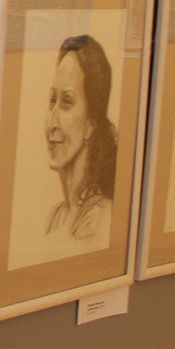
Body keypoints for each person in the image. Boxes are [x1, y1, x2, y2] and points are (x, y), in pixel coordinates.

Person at [44, 34, 118, 243]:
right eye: (52, 100)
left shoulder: (99, 218)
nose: (52, 122)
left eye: (67, 102)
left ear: (91, 123)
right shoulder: (57, 217)